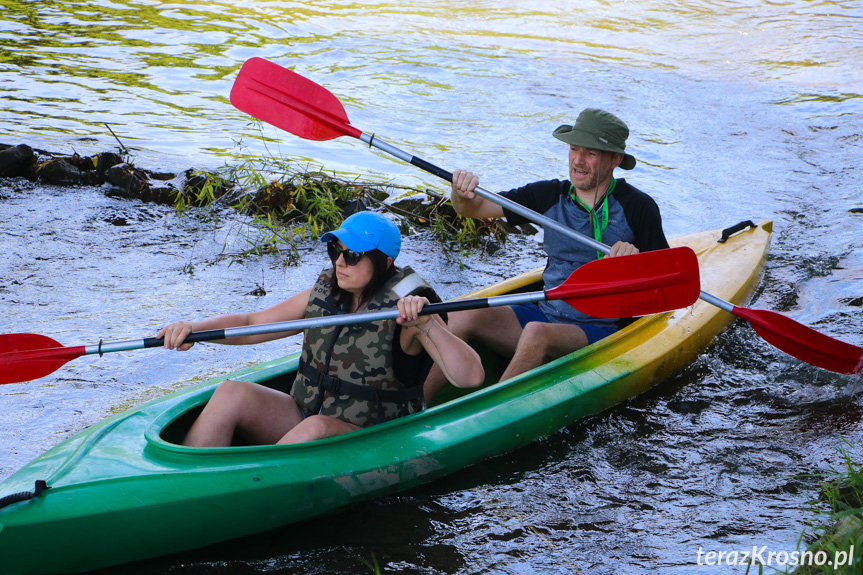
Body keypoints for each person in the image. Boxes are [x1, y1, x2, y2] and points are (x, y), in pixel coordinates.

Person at [158, 211, 484, 447]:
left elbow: (470, 377)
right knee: (230, 393)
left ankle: (247, 489)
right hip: (303, 416)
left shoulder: (411, 311)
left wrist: (427, 324)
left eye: (353, 255)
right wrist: (194, 329)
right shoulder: (327, 293)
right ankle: (181, 486)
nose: (340, 262)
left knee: (315, 429)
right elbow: (252, 323)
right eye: (336, 251)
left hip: (372, 437)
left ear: (385, 262)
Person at [425, 108, 669, 398]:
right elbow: (473, 209)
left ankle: (491, 411)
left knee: (536, 334)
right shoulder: (548, 195)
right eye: (574, 149)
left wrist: (635, 263)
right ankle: (418, 405)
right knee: (464, 313)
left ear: (615, 160)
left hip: (600, 331)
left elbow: (663, 285)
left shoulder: (638, 207)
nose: (578, 160)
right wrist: (459, 192)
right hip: (546, 310)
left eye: (591, 153)